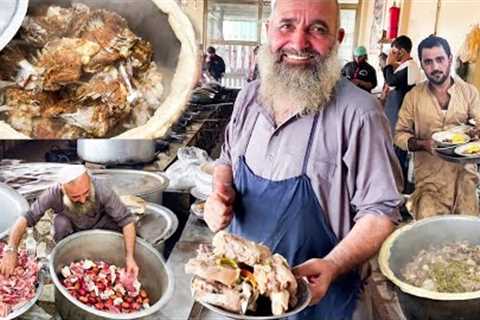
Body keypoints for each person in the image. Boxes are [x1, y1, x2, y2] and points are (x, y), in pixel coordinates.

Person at [204, 0, 403, 319]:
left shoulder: (360, 114)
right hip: (244, 296)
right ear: (268, 30)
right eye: (286, 25)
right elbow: (226, 160)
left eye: (317, 29)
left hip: (323, 304)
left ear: (337, 38)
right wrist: (219, 195)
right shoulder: (248, 98)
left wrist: (334, 264)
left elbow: (381, 213)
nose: (299, 43)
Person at [395, 35, 480, 219]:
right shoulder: (413, 97)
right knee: (431, 238)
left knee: (467, 238)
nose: (435, 67)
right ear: (422, 64)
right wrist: (423, 144)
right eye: (428, 62)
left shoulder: (469, 92)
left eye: (440, 59)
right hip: (429, 184)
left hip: (465, 180)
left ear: (449, 59)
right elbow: (399, 135)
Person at [0, 165, 139, 277]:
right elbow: (26, 217)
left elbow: (127, 221)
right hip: (72, 228)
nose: (83, 200)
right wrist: (11, 250)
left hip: (100, 225)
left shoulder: (102, 189)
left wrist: (130, 257)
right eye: (75, 197)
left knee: (121, 229)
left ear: (90, 182)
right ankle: (67, 264)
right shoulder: (53, 193)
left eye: (86, 193)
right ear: (63, 190)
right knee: (60, 223)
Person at [383, 35, 422, 191]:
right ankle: (396, 187)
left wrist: (388, 64)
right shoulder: (404, 66)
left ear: (402, 51)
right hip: (394, 117)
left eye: (394, 51)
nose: (392, 54)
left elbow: (391, 80)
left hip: (401, 119)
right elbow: (390, 81)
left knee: (399, 156)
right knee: (394, 155)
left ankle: (401, 190)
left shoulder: (411, 67)